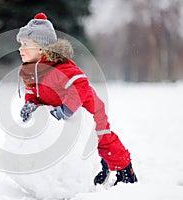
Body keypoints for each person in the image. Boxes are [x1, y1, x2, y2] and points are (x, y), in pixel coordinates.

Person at [16, 13, 138, 186]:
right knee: (77, 144)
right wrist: (31, 103)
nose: (20, 48)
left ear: (42, 49)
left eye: (26, 44)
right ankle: (98, 169)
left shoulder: (60, 68)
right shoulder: (29, 71)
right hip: (70, 114)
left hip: (90, 109)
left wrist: (66, 109)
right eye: (20, 44)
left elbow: (80, 84)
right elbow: (33, 92)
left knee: (102, 141)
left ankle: (126, 170)